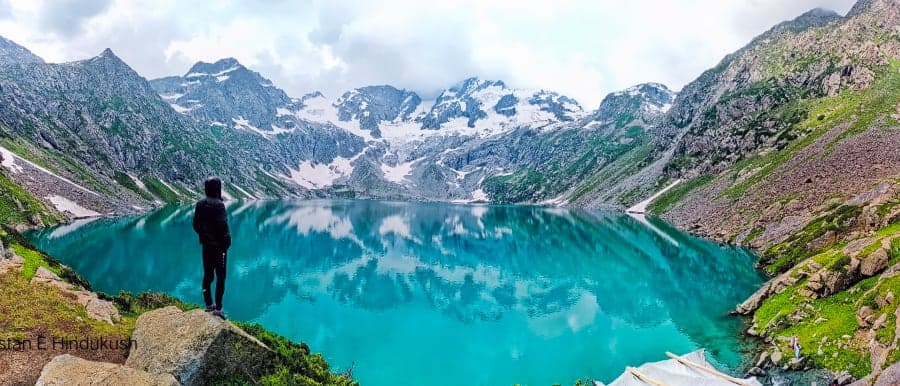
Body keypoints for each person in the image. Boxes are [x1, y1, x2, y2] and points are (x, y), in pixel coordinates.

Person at [192, 177, 231, 319]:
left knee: (208, 275)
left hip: (206, 247)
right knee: (221, 277)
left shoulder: (200, 203)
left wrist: (204, 237)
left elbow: (196, 225)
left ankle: (208, 304)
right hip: (219, 249)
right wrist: (226, 244)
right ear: (217, 188)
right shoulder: (219, 205)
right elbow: (223, 227)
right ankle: (219, 308)